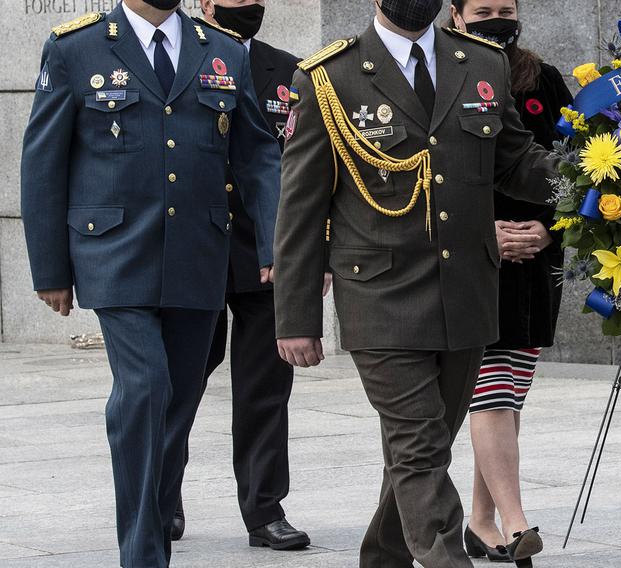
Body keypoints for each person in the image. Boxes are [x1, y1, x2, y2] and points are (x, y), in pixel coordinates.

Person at [273, 1, 558, 566]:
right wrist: (297, 318)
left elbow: (518, 162)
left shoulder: (481, 63)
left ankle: (384, 558)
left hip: (467, 295)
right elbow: (300, 207)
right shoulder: (329, 76)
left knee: (420, 451)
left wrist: (600, 179)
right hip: (381, 296)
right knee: (420, 444)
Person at [20, 0, 281, 566]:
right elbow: (43, 161)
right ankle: (142, 554)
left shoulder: (224, 50)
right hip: (113, 253)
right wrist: (50, 268)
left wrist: (274, 243)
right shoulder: (75, 47)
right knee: (144, 390)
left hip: (198, 254)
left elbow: (259, 154)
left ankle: (155, 530)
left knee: (177, 406)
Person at [169, 0, 311, 551]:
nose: (245, 5)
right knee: (176, 386)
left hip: (267, 256)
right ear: (205, 4)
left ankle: (264, 510)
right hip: (192, 251)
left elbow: (309, 168)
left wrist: (308, 254)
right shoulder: (182, 58)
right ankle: (162, 496)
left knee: (265, 392)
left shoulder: (289, 71)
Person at [449, 0, 570, 563]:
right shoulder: (447, 71)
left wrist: (549, 230)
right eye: (483, 10)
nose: (496, 19)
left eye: (505, 9)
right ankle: (517, 524)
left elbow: (574, 167)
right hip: (472, 260)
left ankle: (479, 520)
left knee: (506, 395)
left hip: (535, 265)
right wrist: (483, 233)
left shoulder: (542, 77)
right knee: (491, 392)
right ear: (455, 15)